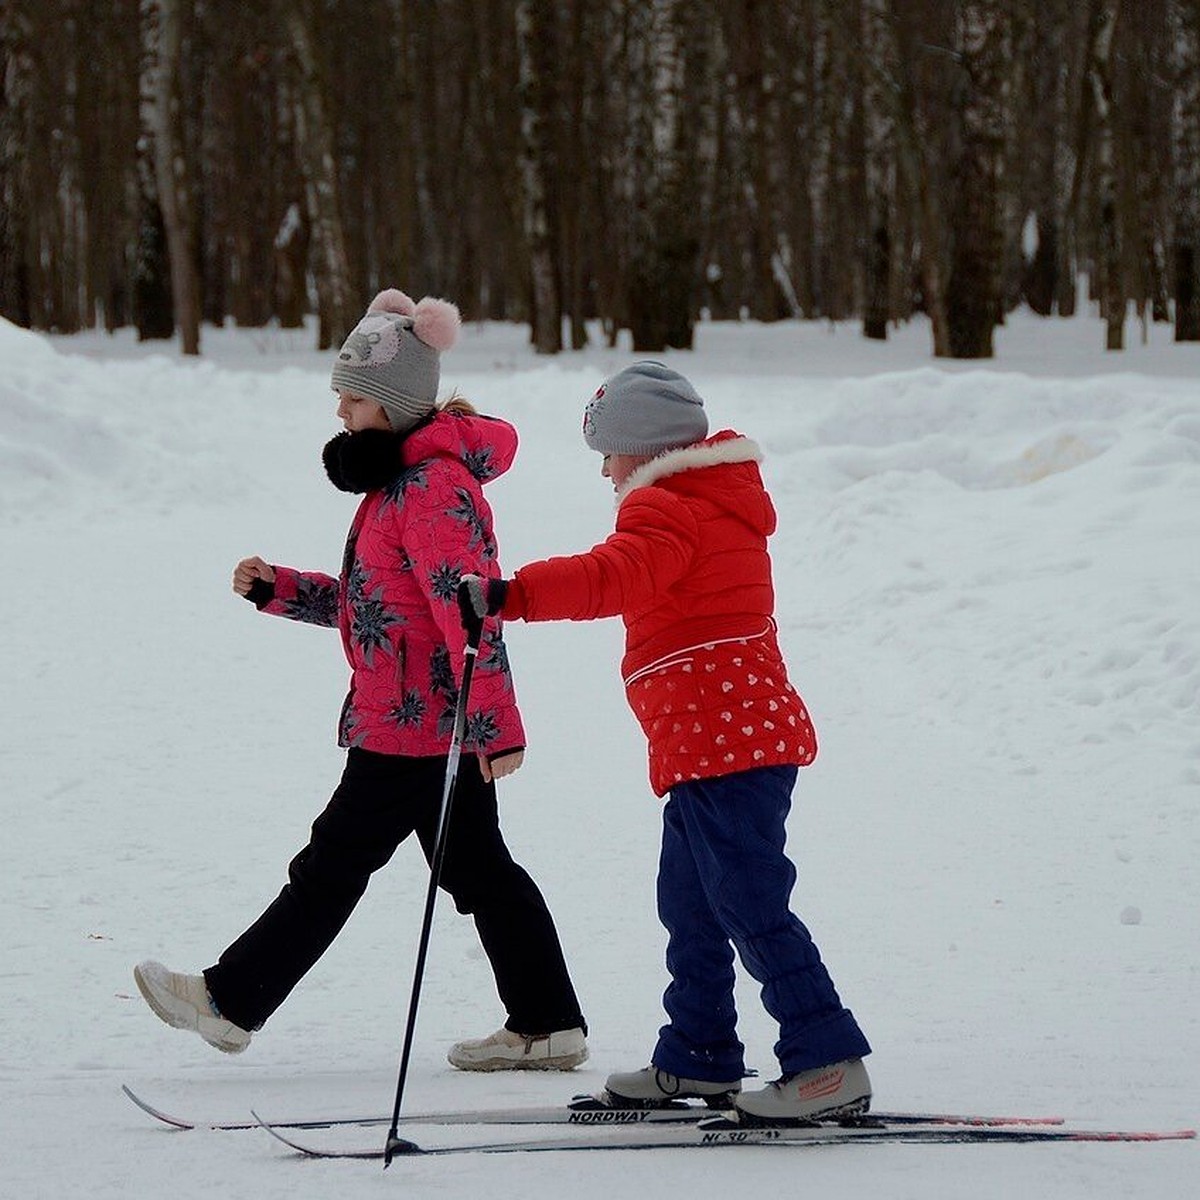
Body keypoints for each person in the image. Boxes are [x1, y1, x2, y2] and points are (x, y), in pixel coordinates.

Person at [134, 288, 586, 1073]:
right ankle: (548, 1021)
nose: (339, 409)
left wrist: (495, 727)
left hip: (418, 729)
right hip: (408, 718)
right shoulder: (396, 486)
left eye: (351, 395)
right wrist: (283, 589)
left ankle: (229, 1001)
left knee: (334, 865)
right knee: (479, 872)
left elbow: (470, 616)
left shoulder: (432, 490)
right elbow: (378, 608)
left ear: (393, 403)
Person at [458, 362, 870, 1123]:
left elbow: (613, 576)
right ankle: (700, 1055)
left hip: (729, 747)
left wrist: (514, 595)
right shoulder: (701, 503)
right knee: (690, 903)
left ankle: (828, 1060)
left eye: (609, 454)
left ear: (643, 450)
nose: (606, 472)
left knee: (749, 901)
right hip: (709, 749)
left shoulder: (669, 509)